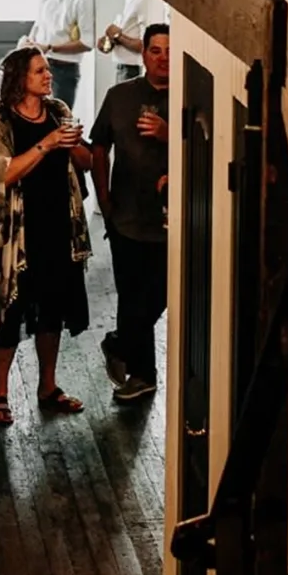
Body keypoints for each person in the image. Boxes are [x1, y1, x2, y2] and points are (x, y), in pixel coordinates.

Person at [0, 44, 94, 426]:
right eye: (40, 71)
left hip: (59, 226)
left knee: (52, 311)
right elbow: (5, 173)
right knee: (9, 312)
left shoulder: (59, 111)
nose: (49, 76)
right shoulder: (0, 121)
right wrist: (47, 144)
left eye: (48, 70)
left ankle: (48, 386)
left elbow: (88, 162)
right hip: (17, 231)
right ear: (20, 80)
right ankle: (1, 394)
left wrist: (74, 141)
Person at [88, 24, 171, 403]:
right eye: (155, 51)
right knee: (130, 297)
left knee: (157, 298)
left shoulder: (193, 97)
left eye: (170, 51)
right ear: (144, 55)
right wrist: (103, 199)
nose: (164, 58)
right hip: (124, 217)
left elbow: (213, 147)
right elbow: (99, 146)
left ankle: (121, 344)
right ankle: (142, 377)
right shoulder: (121, 96)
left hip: (171, 223)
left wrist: (171, 135)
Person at [27, 0, 96, 110]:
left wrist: (49, 47)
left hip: (64, 70)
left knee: (58, 122)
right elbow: (38, 25)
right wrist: (29, 42)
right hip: (37, 64)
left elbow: (87, 43)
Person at [101, 0, 171, 85]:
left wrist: (119, 37)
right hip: (123, 67)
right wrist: (109, 40)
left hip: (133, 70)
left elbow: (149, 44)